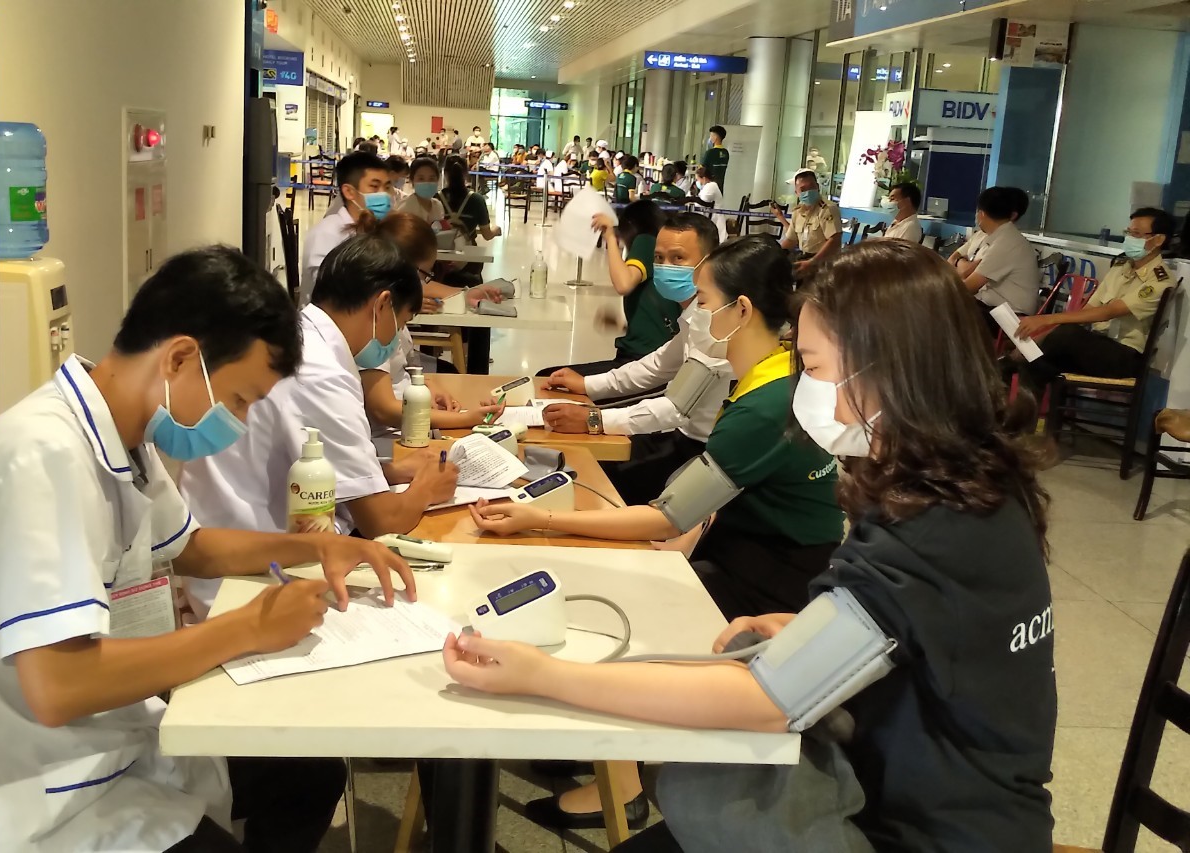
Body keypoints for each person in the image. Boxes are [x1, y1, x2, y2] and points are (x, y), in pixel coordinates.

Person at [447, 239, 1056, 853]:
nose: (807, 389)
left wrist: (544, 675)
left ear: (889, 366)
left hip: (917, 831)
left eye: (813, 367)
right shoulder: (976, 489)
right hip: (952, 806)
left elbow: (768, 701)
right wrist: (815, 628)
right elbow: (935, 632)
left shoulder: (927, 526)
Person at [0, 246, 417, 852]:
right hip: (34, 799)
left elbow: (191, 547)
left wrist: (317, 548)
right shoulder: (39, 456)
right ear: (180, 359)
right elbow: (56, 686)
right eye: (239, 400)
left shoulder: (126, 434)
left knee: (306, 776)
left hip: (111, 745)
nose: (238, 421)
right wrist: (248, 628)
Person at [467, 237, 845, 831]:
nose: (695, 312)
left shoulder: (765, 404)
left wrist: (537, 518)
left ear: (742, 309)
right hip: (764, 550)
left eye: (704, 300)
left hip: (772, 574)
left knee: (628, 606)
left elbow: (668, 515)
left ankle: (623, 783)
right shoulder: (763, 375)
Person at [181, 235, 458, 617]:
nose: (395, 340)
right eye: (401, 324)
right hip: (249, 574)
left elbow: (304, 456)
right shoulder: (321, 371)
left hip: (245, 545)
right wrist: (426, 488)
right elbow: (381, 521)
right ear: (381, 305)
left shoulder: (307, 338)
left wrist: (385, 472)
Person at [542, 214, 727, 505]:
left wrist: (593, 419)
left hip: (699, 452)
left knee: (592, 478)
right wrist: (588, 385)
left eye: (678, 258)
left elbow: (676, 407)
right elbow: (657, 365)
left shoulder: (719, 323)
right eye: (659, 258)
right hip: (678, 435)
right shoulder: (696, 316)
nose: (665, 267)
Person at [355, 215, 508, 429]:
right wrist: (465, 420)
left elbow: (404, 368)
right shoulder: (375, 323)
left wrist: (426, 384)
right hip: (394, 429)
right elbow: (382, 409)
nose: (425, 285)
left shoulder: (388, 310)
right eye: (426, 276)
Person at [1013, 207, 1178, 395]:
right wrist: (1041, 335)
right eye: (1128, 232)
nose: (1130, 238)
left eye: (1137, 234)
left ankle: (1007, 367)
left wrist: (1047, 319)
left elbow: (1109, 312)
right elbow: (1087, 311)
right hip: (1096, 346)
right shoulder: (1121, 268)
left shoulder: (1160, 281)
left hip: (1125, 356)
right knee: (1037, 361)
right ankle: (1025, 409)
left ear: (1158, 240)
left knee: (1066, 335)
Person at [539, 200, 675, 379]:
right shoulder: (662, 254)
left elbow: (623, 283)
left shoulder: (646, 241)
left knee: (547, 377)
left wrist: (610, 237)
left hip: (640, 361)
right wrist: (622, 325)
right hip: (653, 359)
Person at [301, 151, 391, 303]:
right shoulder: (328, 234)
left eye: (387, 187)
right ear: (349, 192)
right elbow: (331, 292)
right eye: (374, 187)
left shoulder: (377, 230)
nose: (384, 194)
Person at [960, 186, 1040, 329]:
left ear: (981, 214)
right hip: (993, 308)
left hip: (1010, 317)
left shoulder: (1007, 242)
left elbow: (969, 287)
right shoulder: (1000, 236)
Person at [774, 168, 842, 275]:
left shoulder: (827, 209)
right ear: (797, 193)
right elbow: (791, 239)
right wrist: (774, 252)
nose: (808, 192)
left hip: (824, 262)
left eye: (811, 187)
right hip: (805, 259)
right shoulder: (798, 212)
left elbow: (835, 240)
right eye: (803, 189)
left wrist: (812, 262)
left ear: (818, 187)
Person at [396, 156, 445, 230]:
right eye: (421, 179)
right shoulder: (404, 208)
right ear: (412, 181)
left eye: (431, 178)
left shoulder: (438, 206)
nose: (427, 183)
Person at [695, 166, 729, 244]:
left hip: (715, 221)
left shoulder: (711, 186)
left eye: (697, 179)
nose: (697, 182)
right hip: (711, 219)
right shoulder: (707, 187)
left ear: (704, 178)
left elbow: (702, 202)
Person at [699, 125, 730, 189]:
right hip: (720, 187)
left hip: (709, 187)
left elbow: (700, 171)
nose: (710, 138)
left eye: (711, 135)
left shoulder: (710, 153)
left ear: (715, 138)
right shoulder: (726, 153)